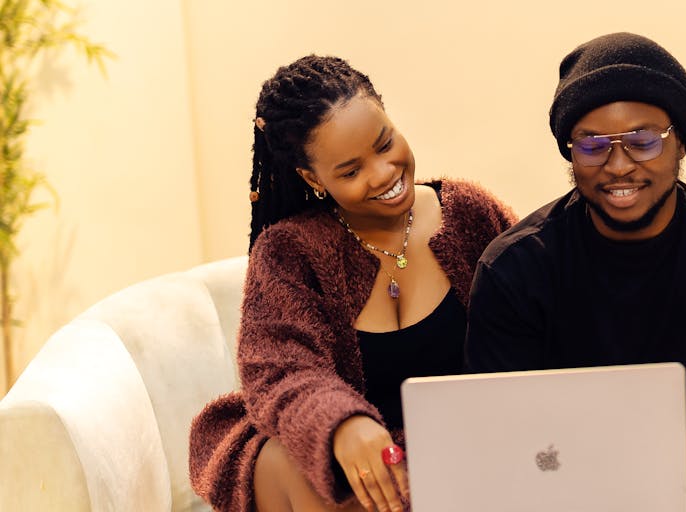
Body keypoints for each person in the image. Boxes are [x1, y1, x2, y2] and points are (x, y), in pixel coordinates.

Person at [464, 33, 686, 511]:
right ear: (570, 152)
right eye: (594, 145)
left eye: (644, 141)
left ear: (680, 143)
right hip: (565, 488)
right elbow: (501, 434)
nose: (619, 166)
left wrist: (596, 449)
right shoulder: (515, 267)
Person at [189, 55, 516, 512]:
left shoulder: (469, 214)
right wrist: (341, 425)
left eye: (385, 144)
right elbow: (281, 366)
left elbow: (538, 309)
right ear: (312, 178)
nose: (383, 173)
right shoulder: (291, 250)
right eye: (350, 170)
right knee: (317, 473)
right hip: (334, 464)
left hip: (459, 446)